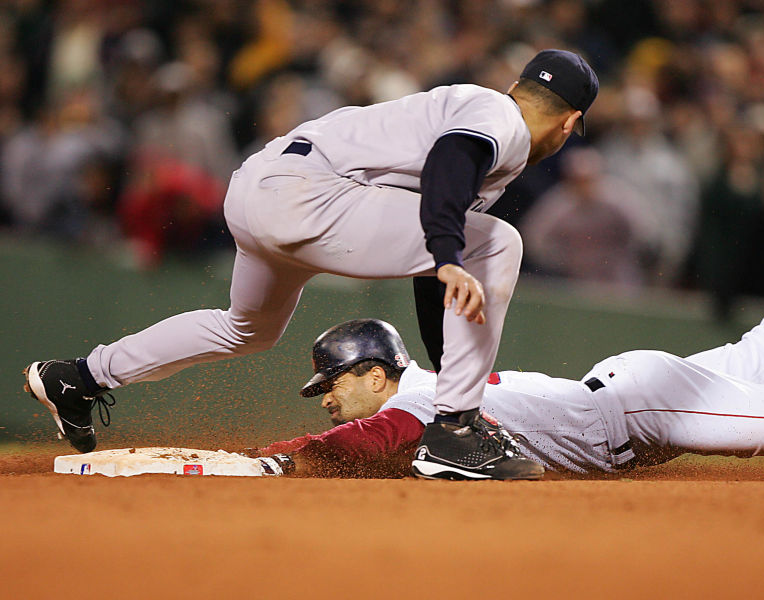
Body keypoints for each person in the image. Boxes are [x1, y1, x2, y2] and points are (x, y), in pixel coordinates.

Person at [23, 49, 600, 481]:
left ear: (519, 84)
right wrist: (449, 259)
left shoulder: (476, 108)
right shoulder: (497, 115)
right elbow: (452, 166)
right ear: (571, 121)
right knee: (499, 243)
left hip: (259, 187)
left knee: (244, 328)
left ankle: (80, 374)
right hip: (313, 194)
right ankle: (454, 432)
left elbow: (435, 264)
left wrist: (449, 360)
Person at [256, 233, 764, 478]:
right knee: (758, 357)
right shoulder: (428, 388)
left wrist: (285, 458)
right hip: (634, 394)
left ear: (373, 372)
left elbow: (364, 439)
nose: (326, 394)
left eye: (332, 381)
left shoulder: (413, 399)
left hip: (638, 406)